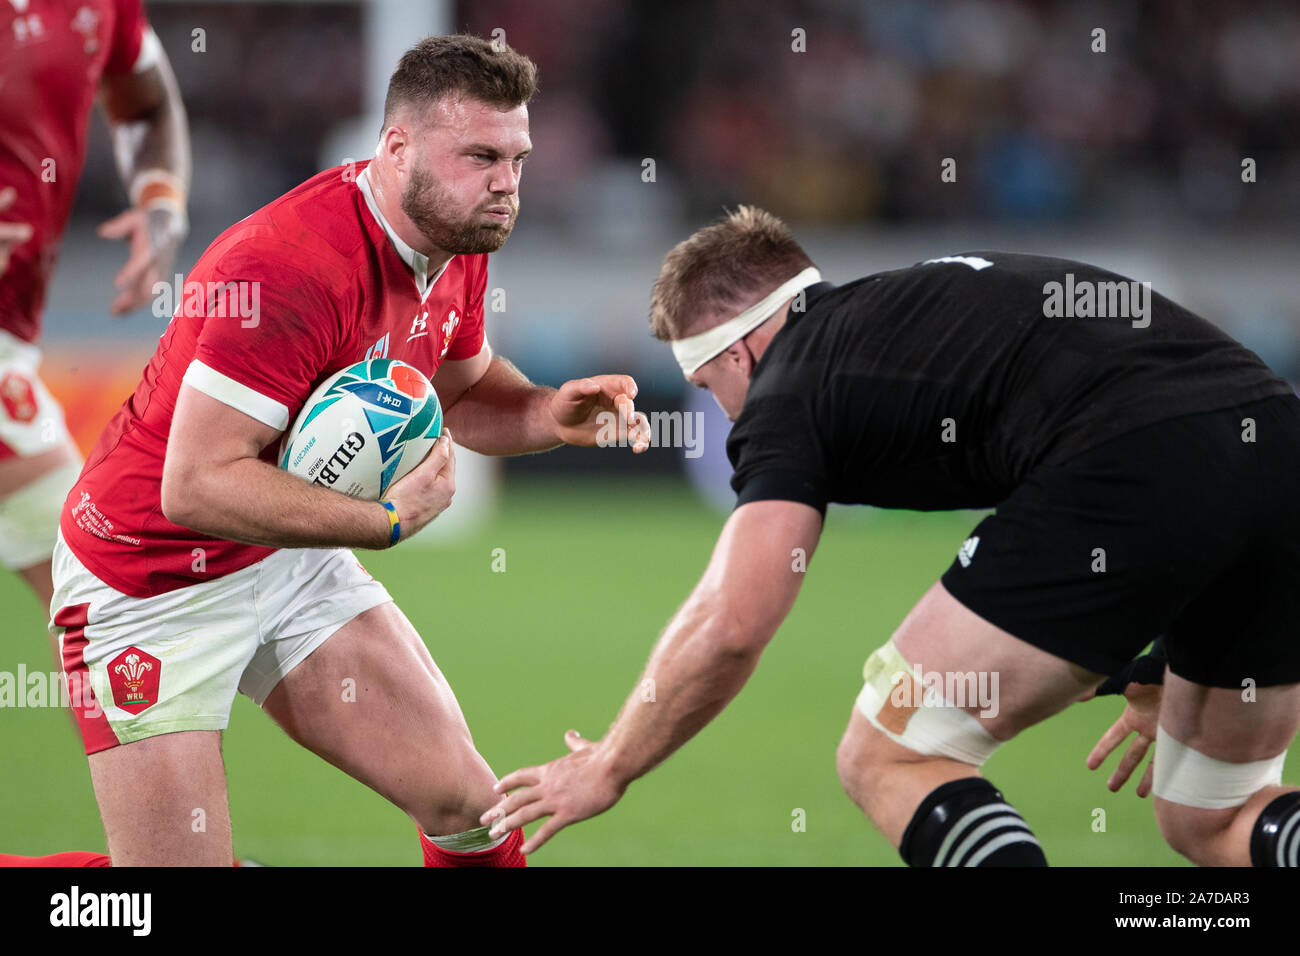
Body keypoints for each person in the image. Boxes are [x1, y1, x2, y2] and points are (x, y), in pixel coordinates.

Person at [483, 206, 1300, 867]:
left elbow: (731, 623)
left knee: (888, 751)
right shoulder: (901, 312)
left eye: (710, 384)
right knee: (1212, 816)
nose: (724, 413)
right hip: (1279, 448)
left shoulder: (791, 382)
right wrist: (1151, 665)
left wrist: (611, 763)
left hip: (1135, 459)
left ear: (743, 350)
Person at [34, 33, 650, 868]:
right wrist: (381, 522)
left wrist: (549, 412)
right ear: (396, 151)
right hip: (149, 583)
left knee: (471, 809)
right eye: (480, 156)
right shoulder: (289, 270)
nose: (506, 184)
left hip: (286, 560)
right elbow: (194, 485)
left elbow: (462, 395)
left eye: (517, 158)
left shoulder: (456, 238)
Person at [0, 0, 189, 617]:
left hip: (12, 337)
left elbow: (148, 101)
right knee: (108, 605)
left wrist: (161, 200)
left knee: (104, 607)